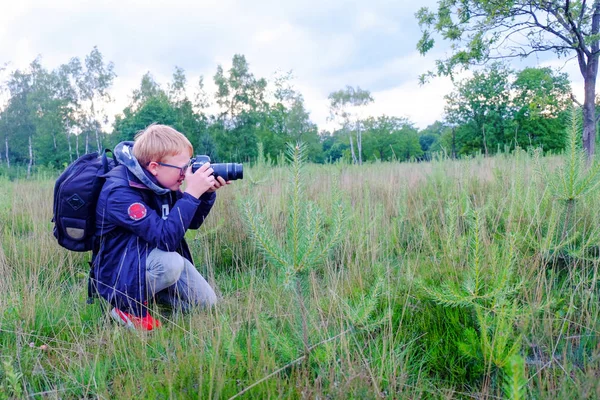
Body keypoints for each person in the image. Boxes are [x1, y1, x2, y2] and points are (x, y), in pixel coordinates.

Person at [91, 124, 229, 331]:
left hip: (148, 261)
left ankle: (150, 297)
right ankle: (125, 306)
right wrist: (191, 193)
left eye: (188, 165)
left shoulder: (163, 182)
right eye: (182, 168)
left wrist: (205, 193)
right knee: (171, 263)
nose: (187, 173)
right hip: (120, 271)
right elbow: (166, 238)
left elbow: (192, 222)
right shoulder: (119, 192)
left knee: (206, 304)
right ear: (154, 167)